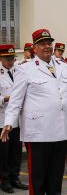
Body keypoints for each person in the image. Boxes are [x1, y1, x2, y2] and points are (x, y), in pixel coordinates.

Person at [0, 29, 67, 195]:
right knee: (38, 180)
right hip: (39, 133)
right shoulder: (25, 69)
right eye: (42, 44)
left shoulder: (63, 67)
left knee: (55, 178)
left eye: (49, 43)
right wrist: (9, 122)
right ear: (34, 48)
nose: (47, 46)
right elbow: (15, 100)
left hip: (61, 131)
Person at [0, 45, 28, 193]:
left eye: (12, 58)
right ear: (1, 58)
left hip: (17, 119)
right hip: (3, 120)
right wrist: (5, 99)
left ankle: (15, 177)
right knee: (4, 153)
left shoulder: (18, 71)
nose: (11, 61)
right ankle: (5, 180)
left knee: (16, 152)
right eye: (8, 59)